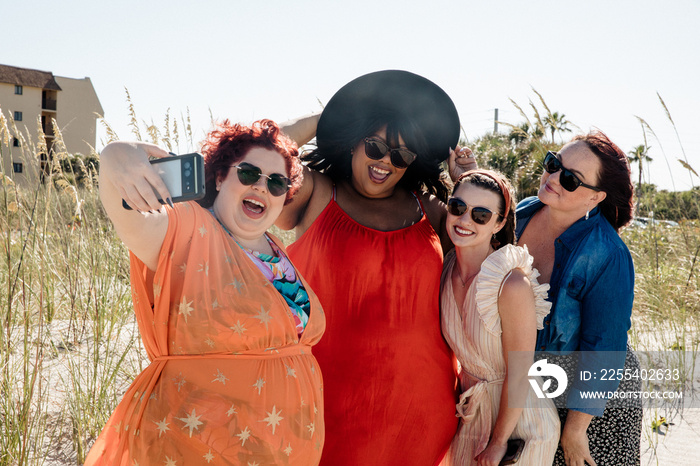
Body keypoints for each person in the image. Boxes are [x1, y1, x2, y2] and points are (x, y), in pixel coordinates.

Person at [85, 120, 326, 465]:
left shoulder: (275, 251)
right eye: (248, 173)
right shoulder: (189, 230)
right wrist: (114, 156)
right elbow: (130, 217)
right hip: (200, 446)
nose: (262, 186)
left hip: (282, 450)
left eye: (276, 183)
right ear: (219, 177)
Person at [276, 70, 476, 465]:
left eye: (401, 155)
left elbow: (491, 264)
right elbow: (257, 154)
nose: (386, 161)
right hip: (320, 399)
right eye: (374, 146)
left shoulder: (431, 211)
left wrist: (467, 182)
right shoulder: (314, 192)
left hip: (419, 406)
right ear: (353, 142)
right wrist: (326, 119)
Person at [515, 131, 641, 465]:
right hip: (529, 385)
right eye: (553, 164)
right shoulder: (522, 214)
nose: (553, 177)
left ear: (595, 198)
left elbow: (605, 346)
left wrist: (575, 430)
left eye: (570, 179)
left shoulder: (608, 253)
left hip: (591, 403)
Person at [440, 169, 560, 466]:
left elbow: (521, 372)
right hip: (471, 418)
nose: (465, 220)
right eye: (458, 208)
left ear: (499, 223)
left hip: (521, 428)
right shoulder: (444, 268)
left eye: (481, 215)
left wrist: (498, 442)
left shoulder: (511, 282)